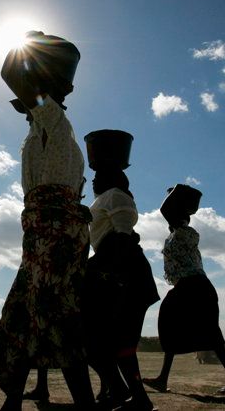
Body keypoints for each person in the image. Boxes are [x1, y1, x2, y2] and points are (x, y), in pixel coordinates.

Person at [0, 31, 95, 410]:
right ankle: (13, 402)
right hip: (42, 232)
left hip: (54, 233)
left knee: (51, 313)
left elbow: (10, 73)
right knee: (22, 313)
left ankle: (82, 404)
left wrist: (27, 43)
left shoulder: (52, 120)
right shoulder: (41, 127)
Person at [143, 185, 225, 394]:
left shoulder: (184, 234)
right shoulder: (179, 235)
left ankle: (164, 379)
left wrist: (175, 194)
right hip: (194, 287)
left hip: (193, 287)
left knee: (196, 331)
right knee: (195, 331)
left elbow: (166, 211)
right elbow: (169, 213)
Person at [83, 166, 159, 410]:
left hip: (125, 274)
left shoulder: (115, 194)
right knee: (97, 342)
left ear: (110, 178)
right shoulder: (103, 199)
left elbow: (123, 236)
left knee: (120, 342)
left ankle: (136, 398)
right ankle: (122, 391)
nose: (93, 181)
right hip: (112, 271)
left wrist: (116, 277)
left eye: (97, 176)